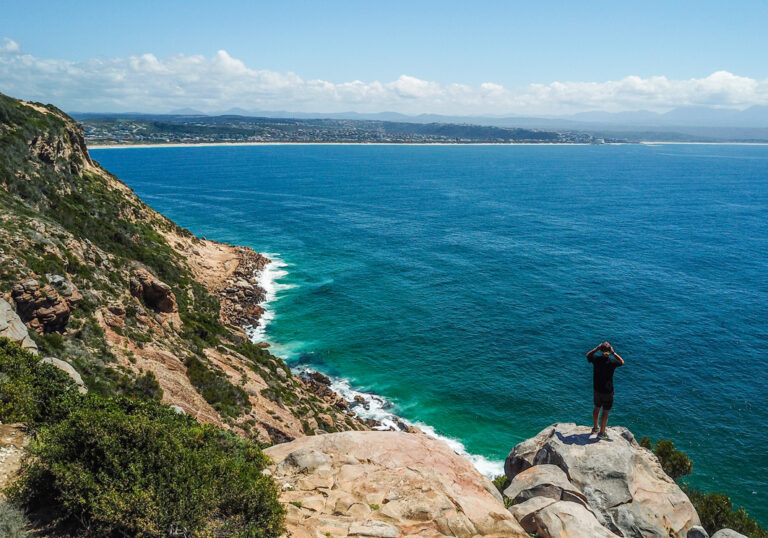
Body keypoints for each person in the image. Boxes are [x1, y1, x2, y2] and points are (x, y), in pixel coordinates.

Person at [586, 341, 624, 440]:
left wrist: (597, 348)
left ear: (601, 350)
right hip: (608, 391)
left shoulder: (596, 360)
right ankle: (602, 433)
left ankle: (595, 428)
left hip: (597, 389)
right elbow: (622, 362)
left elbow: (588, 355)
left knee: (597, 407)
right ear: (609, 351)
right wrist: (613, 352)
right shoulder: (612, 362)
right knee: (605, 412)